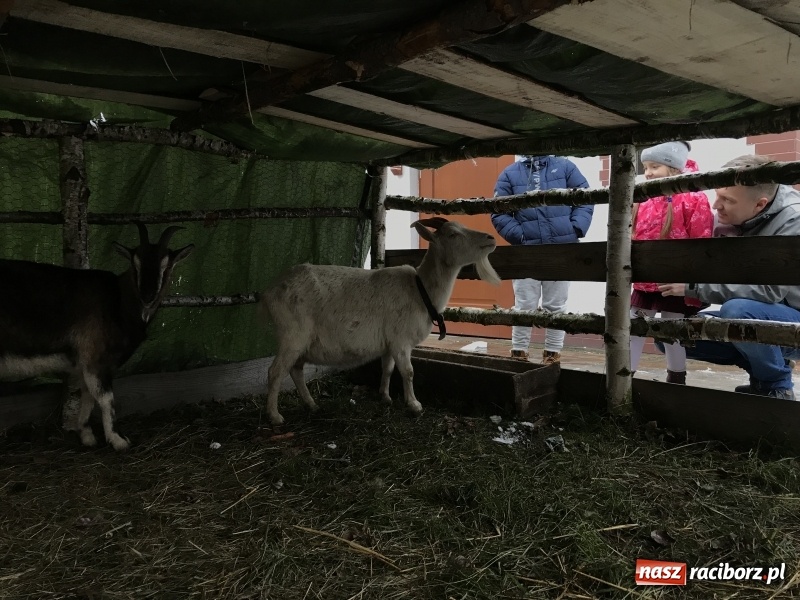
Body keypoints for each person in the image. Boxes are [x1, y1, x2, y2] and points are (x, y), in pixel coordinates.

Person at [658, 154, 800, 400]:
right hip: (763, 315)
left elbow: (770, 291)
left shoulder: (793, 222)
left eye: (727, 200)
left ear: (760, 204)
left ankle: (776, 386)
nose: (716, 206)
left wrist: (695, 288)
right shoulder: (740, 218)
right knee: (669, 334)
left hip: (793, 317)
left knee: (737, 313)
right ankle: (763, 371)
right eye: (717, 195)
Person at [491, 155, 594, 365]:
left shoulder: (565, 167)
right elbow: (498, 211)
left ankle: (552, 354)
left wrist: (574, 228)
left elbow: (586, 198)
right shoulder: (510, 174)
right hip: (525, 253)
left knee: (555, 305)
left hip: (561, 250)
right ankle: (519, 353)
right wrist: (519, 236)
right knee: (524, 305)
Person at [629, 141, 713, 384]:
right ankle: (626, 375)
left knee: (671, 330)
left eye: (655, 166)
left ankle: (676, 378)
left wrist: (690, 279)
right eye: (646, 167)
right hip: (645, 280)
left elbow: (701, 240)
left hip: (675, 281)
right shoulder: (644, 197)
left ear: (674, 169)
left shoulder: (692, 198)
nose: (648, 172)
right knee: (633, 326)